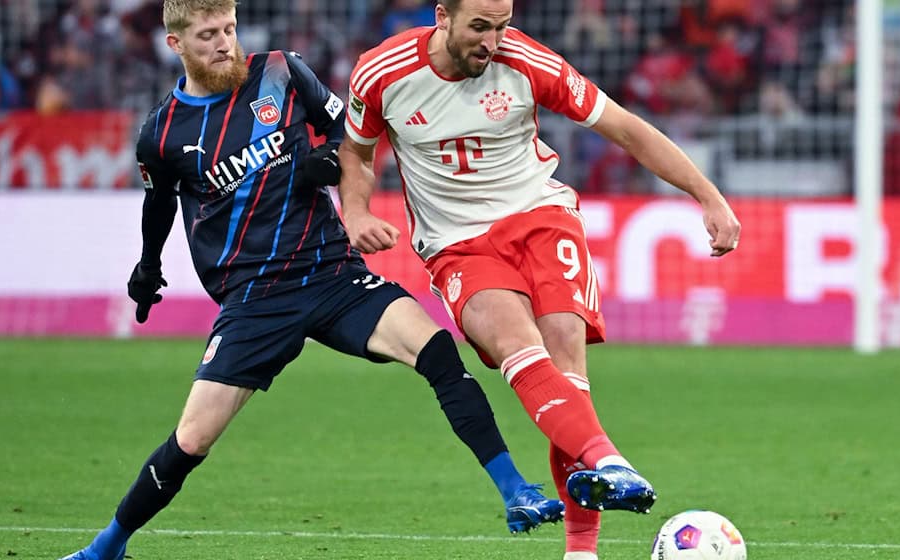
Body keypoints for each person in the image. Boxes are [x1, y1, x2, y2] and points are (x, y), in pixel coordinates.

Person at [58, 2, 563, 559]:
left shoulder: (280, 71)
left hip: (330, 273)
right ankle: (109, 546)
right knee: (193, 438)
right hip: (252, 298)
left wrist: (327, 165)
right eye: (207, 36)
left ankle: (516, 490)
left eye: (228, 29)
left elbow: (352, 138)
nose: (225, 43)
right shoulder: (161, 132)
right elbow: (159, 203)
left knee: (438, 349)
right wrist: (148, 266)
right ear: (176, 44)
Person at [337, 1, 742, 559]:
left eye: (502, 26)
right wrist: (356, 213)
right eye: (480, 27)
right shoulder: (382, 72)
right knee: (515, 346)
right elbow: (356, 153)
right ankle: (609, 461)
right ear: (442, 16)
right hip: (456, 245)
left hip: (540, 221)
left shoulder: (527, 62)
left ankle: (581, 551)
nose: (493, 41)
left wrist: (708, 195)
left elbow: (624, 126)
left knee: (567, 369)